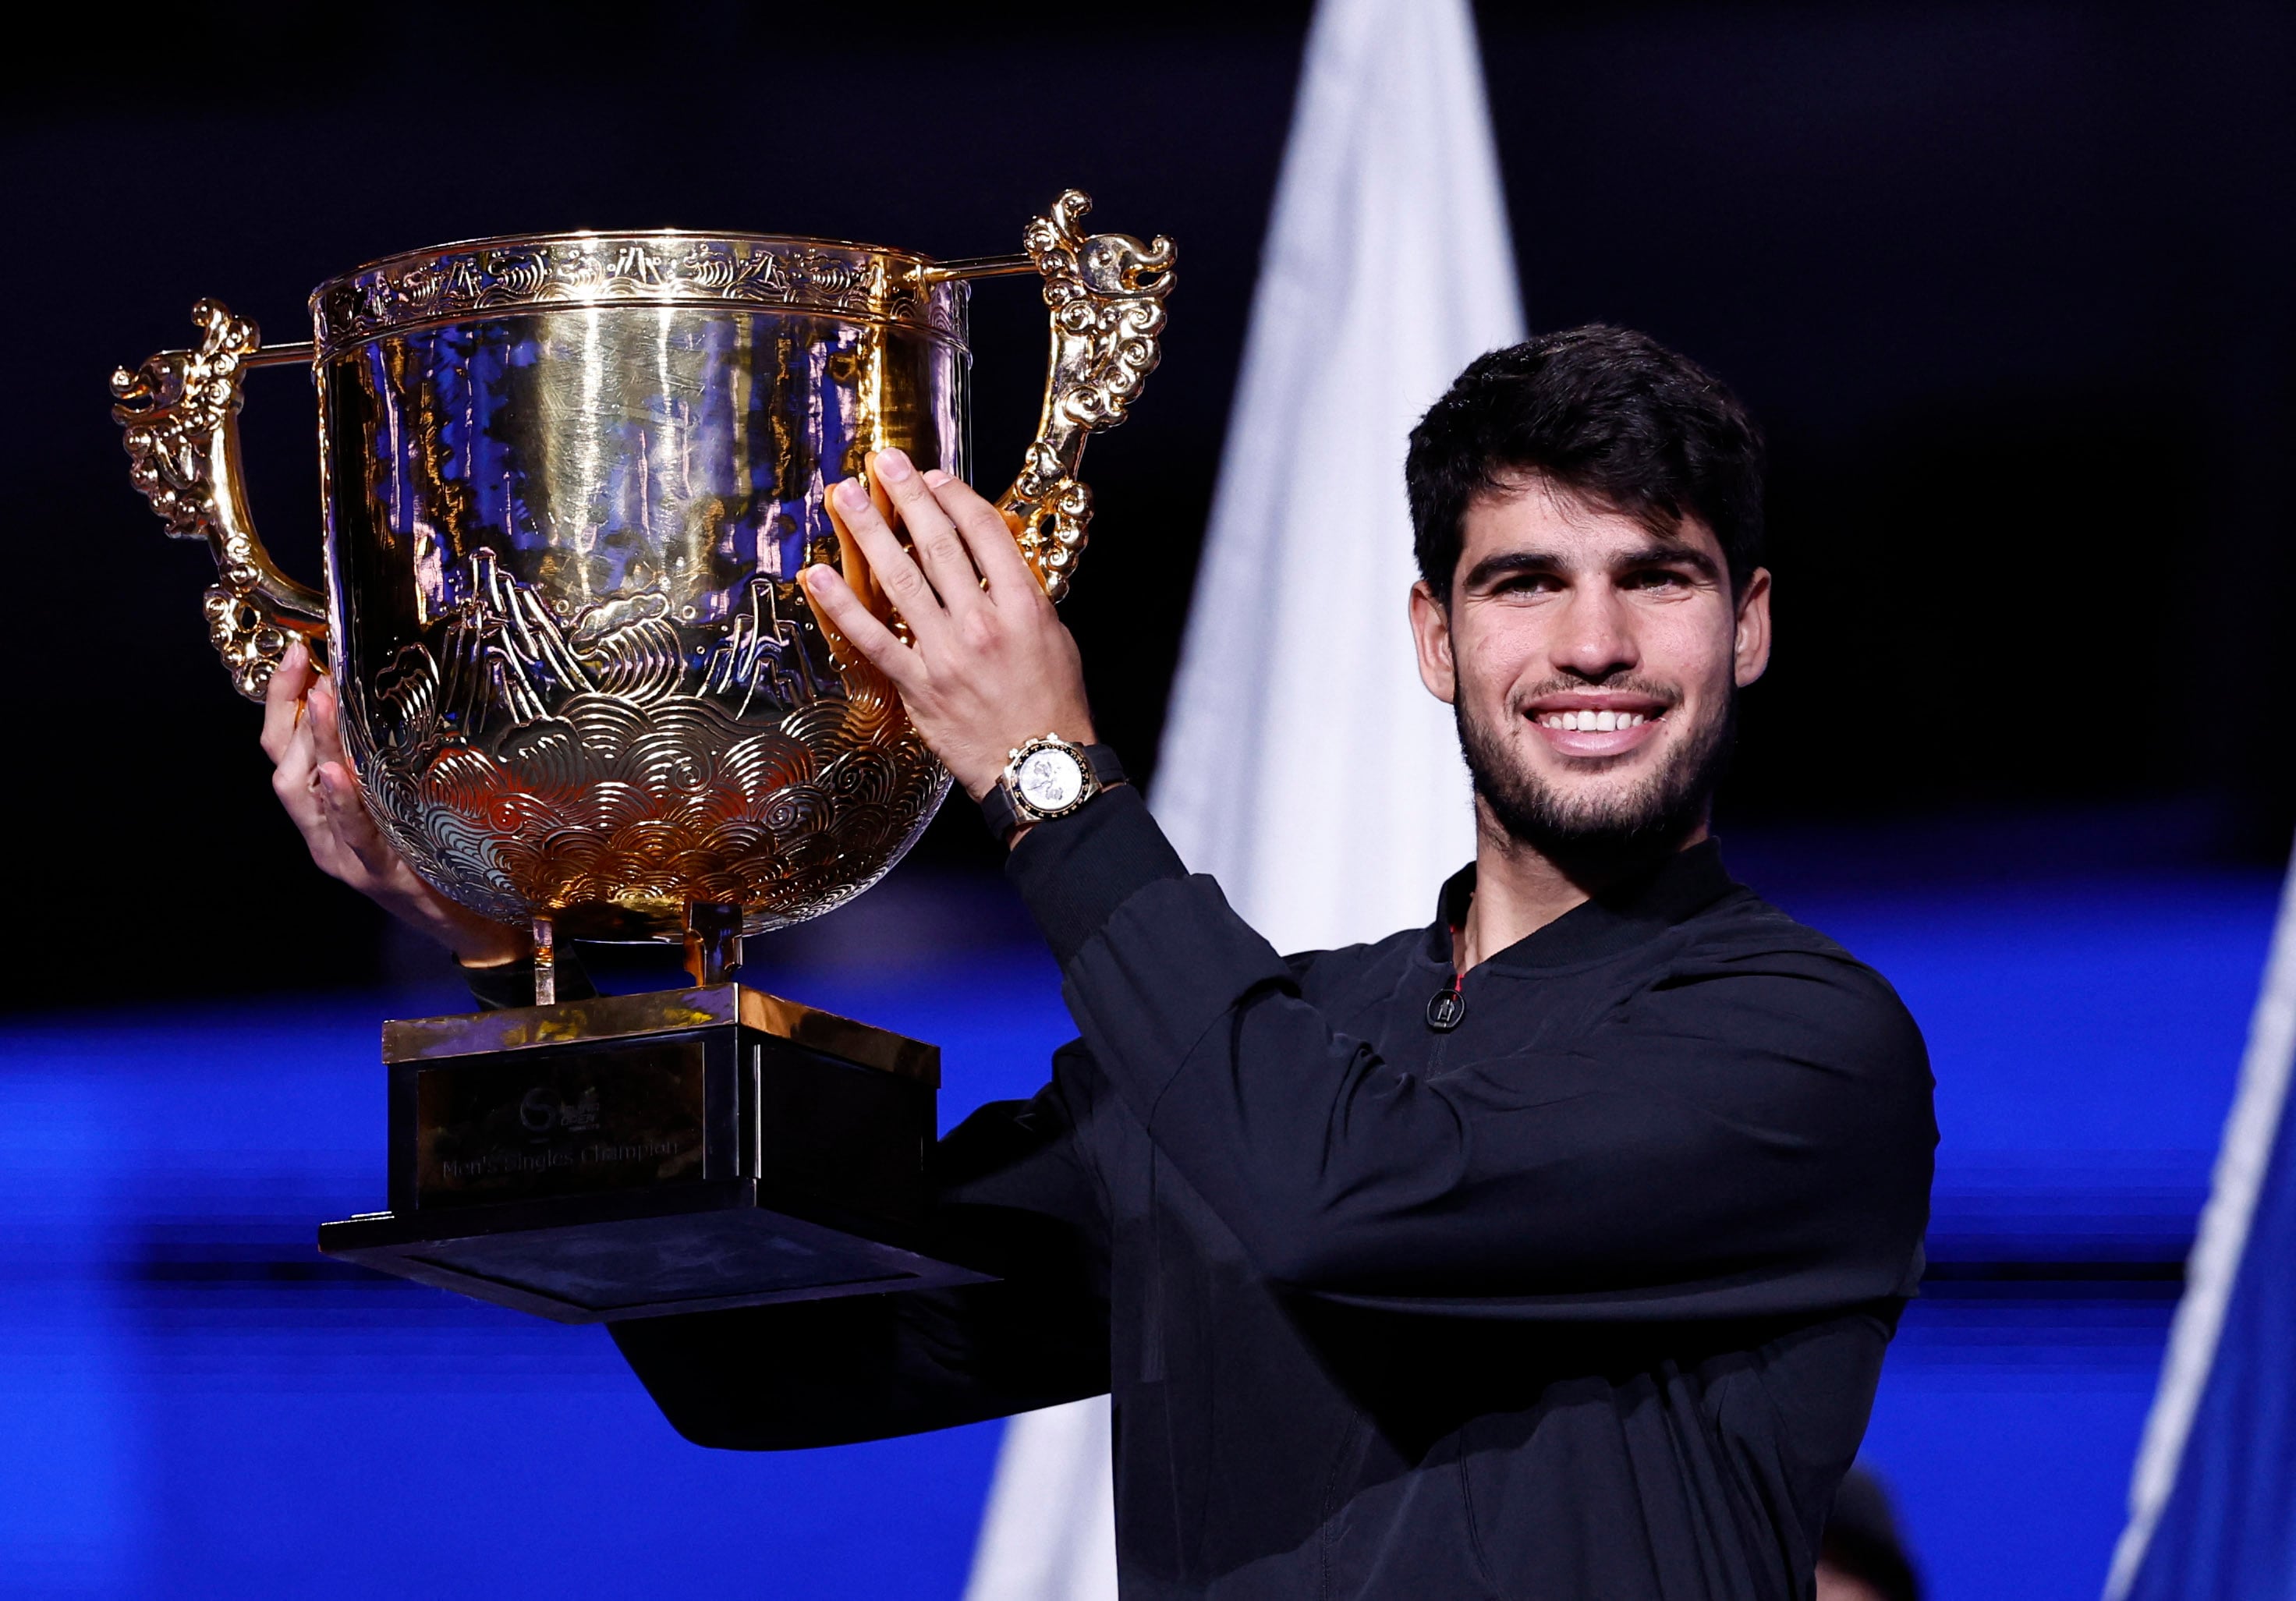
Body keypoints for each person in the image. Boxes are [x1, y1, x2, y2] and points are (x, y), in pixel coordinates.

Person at [262, 326, 1936, 1599]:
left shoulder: (1798, 1046)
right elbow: (774, 1355)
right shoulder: (1244, 1048)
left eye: (1657, 579)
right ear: (1434, 636)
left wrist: (1049, 778)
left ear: (1751, 624)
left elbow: (1331, 1194)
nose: (1590, 642)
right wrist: (534, 945)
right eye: (1524, 582)